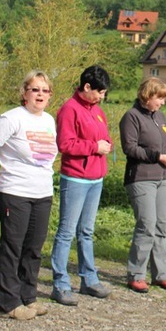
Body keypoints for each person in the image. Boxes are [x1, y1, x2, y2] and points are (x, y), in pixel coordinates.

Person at [0, 71, 58, 320]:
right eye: (35, 89)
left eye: (45, 90)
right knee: (13, 247)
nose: (40, 94)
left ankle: (28, 297)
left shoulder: (49, 120)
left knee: (33, 247)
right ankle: (8, 303)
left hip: (42, 192)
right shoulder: (12, 118)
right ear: (25, 93)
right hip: (15, 191)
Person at [50, 65, 113, 306]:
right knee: (66, 232)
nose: (102, 97)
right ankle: (60, 284)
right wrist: (93, 147)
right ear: (87, 87)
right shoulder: (69, 109)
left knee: (86, 231)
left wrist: (106, 144)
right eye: (100, 92)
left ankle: (89, 279)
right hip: (76, 178)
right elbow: (65, 144)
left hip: (96, 178)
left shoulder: (97, 111)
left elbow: (103, 136)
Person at [120, 78, 166, 293]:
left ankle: (161, 274)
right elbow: (130, 148)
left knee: (161, 225)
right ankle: (136, 273)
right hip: (141, 177)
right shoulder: (131, 117)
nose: (163, 102)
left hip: (164, 178)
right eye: (160, 98)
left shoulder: (161, 117)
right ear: (147, 96)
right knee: (146, 224)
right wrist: (158, 156)